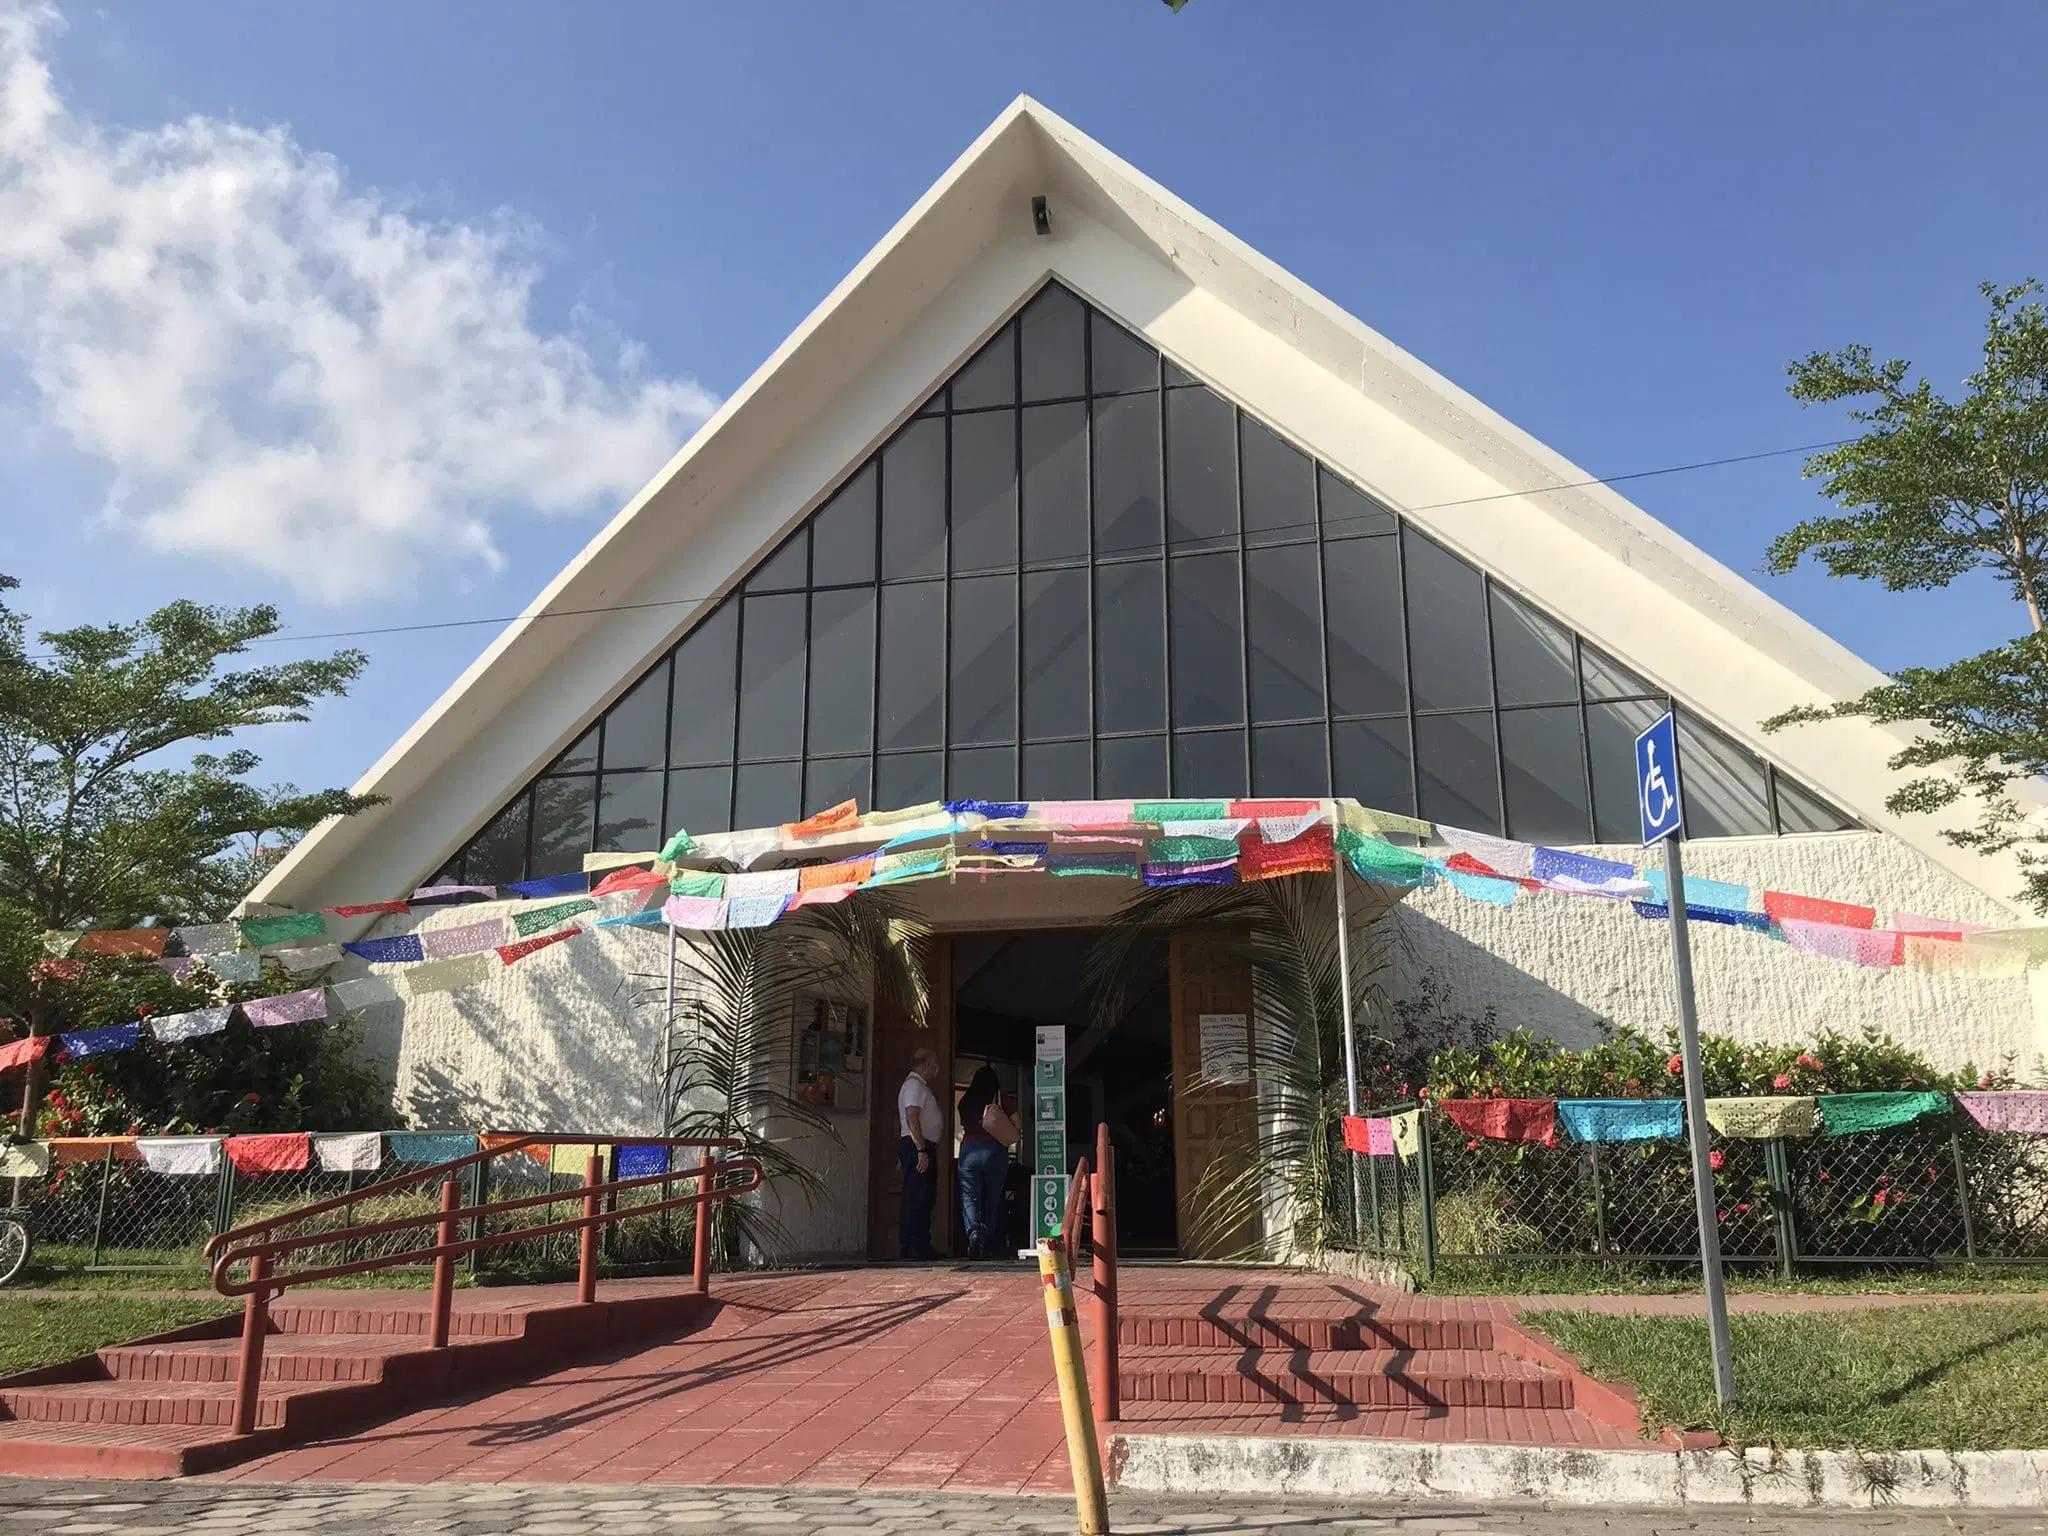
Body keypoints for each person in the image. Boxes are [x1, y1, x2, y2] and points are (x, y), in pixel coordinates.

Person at [956, 1065, 1019, 1259]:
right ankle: (987, 1240)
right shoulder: (1000, 1097)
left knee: (970, 1196)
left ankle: (974, 1233)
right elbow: (1017, 1123)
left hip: (969, 1152)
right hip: (994, 1151)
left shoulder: (966, 1100)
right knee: (992, 1197)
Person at [897, 1046, 944, 1260]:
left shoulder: (919, 1086)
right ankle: (911, 1247)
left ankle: (922, 1245)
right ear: (925, 1064)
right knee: (916, 1197)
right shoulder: (914, 1086)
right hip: (918, 1148)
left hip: (921, 1147)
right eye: (934, 1065)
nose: (936, 1070)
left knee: (925, 1198)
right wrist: (920, 1150)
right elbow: (912, 1119)